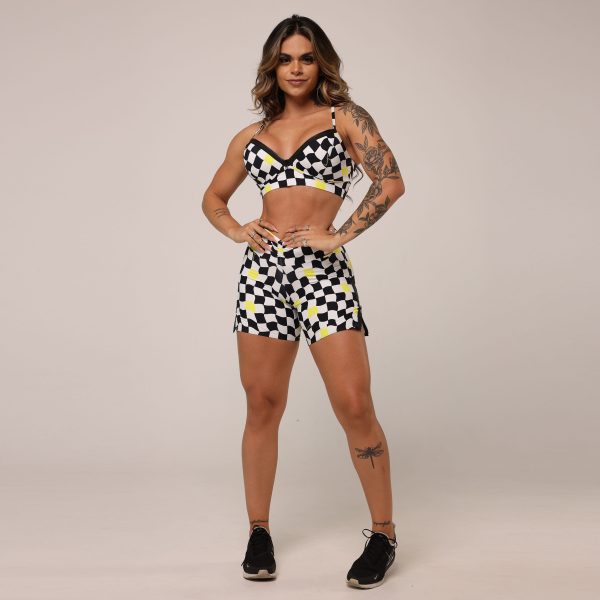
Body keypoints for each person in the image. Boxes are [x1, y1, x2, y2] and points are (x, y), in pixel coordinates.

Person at [202, 14, 405, 589]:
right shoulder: (251, 136)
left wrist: (339, 235)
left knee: (354, 404)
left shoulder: (344, 119)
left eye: (307, 58)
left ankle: (384, 534)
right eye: (286, 59)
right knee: (262, 404)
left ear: (322, 64)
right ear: (272, 66)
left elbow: (390, 182)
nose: (296, 68)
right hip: (263, 278)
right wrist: (238, 229)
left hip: (324, 278)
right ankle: (259, 532)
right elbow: (214, 198)